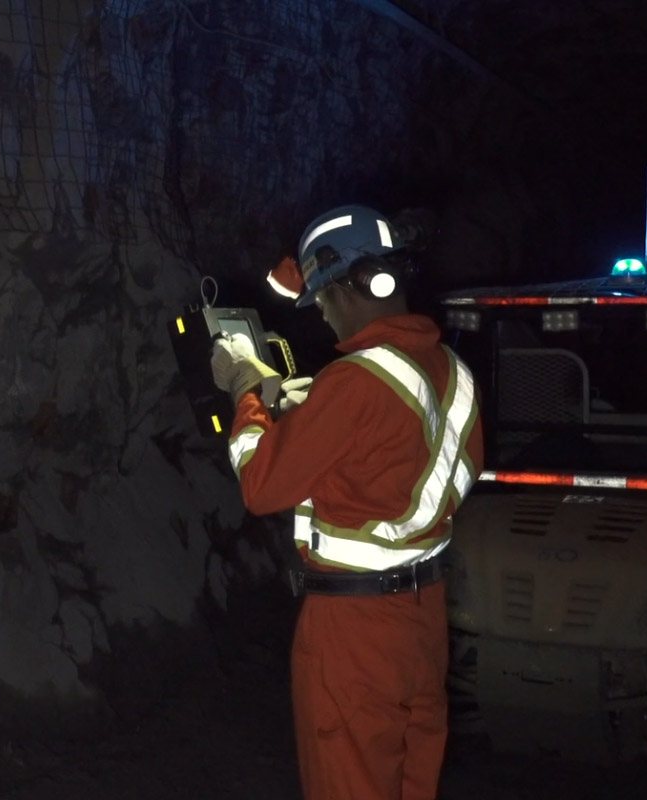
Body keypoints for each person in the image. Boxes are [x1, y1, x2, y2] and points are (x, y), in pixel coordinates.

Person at [209, 204, 484, 800]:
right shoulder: (452, 372)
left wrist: (246, 394)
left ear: (357, 284)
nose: (324, 316)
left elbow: (261, 486)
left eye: (323, 301)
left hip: (354, 632)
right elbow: (392, 455)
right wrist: (312, 415)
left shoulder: (354, 381)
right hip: (423, 621)